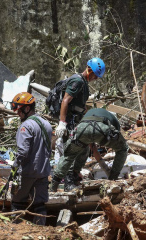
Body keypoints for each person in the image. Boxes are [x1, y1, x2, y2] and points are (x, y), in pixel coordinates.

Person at [51, 57, 106, 191]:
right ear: (89, 70)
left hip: (76, 122)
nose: (95, 79)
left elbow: (80, 106)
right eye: (95, 75)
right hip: (68, 122)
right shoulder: (77, 81)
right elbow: (65, 101)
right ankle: (68, 181)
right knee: (71, 151)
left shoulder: (83, 84)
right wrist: (62, 123)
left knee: (84, 149)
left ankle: (74, 175)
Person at [10, 92, 52, 225]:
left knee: (17, 201)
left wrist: (14, 166)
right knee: (39, 204)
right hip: (43, 172)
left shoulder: (26, 126)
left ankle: (16, 230)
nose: (18, 114)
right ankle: (40, 233)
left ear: (27, 108)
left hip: (28, 172)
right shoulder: (47, 124)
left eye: (19, 110)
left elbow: (23, 151)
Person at [64, 108, 128, 183]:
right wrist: (110, 175)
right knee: (123, 148)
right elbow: (117, 142)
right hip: (100, 127)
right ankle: (114, 177)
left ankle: (73, 175)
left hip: (83, 127)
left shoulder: (91, 114)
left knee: (82, 147)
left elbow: (93, 148)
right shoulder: (114, 123)